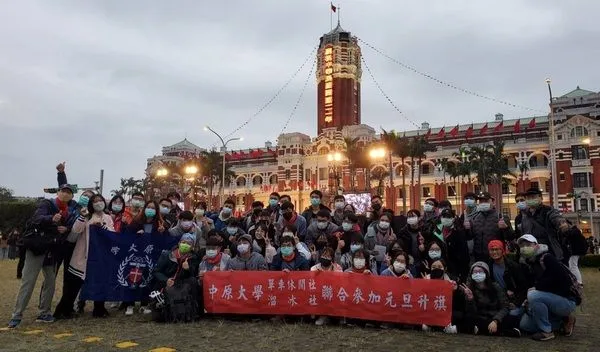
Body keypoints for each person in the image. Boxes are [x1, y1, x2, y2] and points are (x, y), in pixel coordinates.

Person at [8, 183, 78, 328]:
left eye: (69, 192)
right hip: (37, 247)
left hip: (52, 249)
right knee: (29, 281)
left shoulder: (70, 210)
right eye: (63, 191)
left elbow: (71, 227)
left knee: (50, 281)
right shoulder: (47, 204)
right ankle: (17, 315)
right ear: (58, 192)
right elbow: (37, 218)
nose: (65, 194)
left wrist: (66, 228)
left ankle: (45, 312)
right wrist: (51, 219)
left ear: (71, 195)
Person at [54, 194, 115, 319]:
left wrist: (102, 226)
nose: (98, 203)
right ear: (91, 204)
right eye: (95, 201)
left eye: (100, 200)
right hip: (83, 255)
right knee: (74, 285)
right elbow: (75, 231)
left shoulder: (108, 217)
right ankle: (64, 309)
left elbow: (112, 233)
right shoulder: (87, 216)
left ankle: (99, 308)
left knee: (99, 282)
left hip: (99, 256)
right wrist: (82, 217)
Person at [517, 235, 577, 341]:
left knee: (533, 295)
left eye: (528, 244)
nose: (525, 247)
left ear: (536, 245)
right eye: (522, 245)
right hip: (548, 300)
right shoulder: (528, 263)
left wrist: (538, 288)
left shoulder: (547, 258)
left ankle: (546, 331)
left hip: (565, 300)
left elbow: (563, 281)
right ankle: (562, 322)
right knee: (525, 325)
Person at [460, 262, 520, 337]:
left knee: (513, 319)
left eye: (480, 271)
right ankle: (505, 332)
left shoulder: (495, 286)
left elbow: (505, 306)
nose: (477, 274)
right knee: (467, 319)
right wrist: (470, 299)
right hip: (481, 318)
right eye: (475, 272)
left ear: (486, 273)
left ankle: (481, 330)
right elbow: (471, 311)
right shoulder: (470, 289)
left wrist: (495, 321)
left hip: (496, 317)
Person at [519, 188, 569, 260]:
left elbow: (556, 218)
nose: (530, 199)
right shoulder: (524, 216)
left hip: (548, 251)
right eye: (528, 198)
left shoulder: (548, 211)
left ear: (541, 198)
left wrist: (561, 223)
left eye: (533, 197)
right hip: (531, 253)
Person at [470, 192, 514, 262]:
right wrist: (467, 229)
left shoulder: (501, 217)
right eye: (481, 201)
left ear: (493, 202)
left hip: (495, 257)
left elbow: (511, 237)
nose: (483, 203)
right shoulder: (475, 218)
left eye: (486, 201)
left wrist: (506, 228)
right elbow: (470, 236)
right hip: (478, 256)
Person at [310, 247, 343, 326]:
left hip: (333, 293)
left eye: (328, 256)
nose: (325, 258)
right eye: (324, 255)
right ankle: (322, 316)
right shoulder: (314, 268)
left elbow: (341, 283)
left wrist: (334, 273)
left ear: (332, 258)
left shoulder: (337, 268)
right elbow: (311, 284)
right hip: (320, 293)